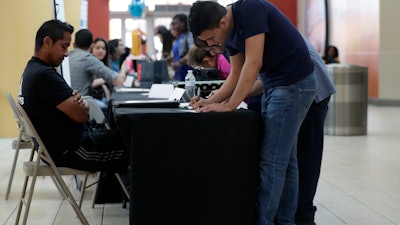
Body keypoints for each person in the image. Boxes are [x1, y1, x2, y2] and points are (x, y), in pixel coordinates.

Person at [188, 1, 317, 225]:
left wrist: (229, 106)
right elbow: (235, 74)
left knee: (272, 161)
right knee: (286, 160)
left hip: (293, 85)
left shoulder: (250, 9)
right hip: (276, 86)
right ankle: (285, 221)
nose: (211, 44)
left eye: (210, 39)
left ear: (223, 21)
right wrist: (208, 101)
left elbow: (253, 63)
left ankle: (266, 221)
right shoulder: (228, 31)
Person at [18, 19, 128, 172]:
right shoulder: (44, 75)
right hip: (75, 150)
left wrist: (77, 101)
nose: (66, 54)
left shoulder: (32, 69)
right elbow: (82, 115)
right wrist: (79, 103)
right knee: (138, 145)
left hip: (65, 146)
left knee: (130, 136)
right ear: (48, 42)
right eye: (64, 46)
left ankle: (113, 195)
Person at [69, 29, 127, 108]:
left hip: (67, 102)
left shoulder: (67, 57)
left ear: (73, 45)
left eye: (103, 48)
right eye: (98, 48)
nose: (100, 51)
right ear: (92, 46)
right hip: (80, 103)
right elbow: (119, 81)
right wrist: (124, 68)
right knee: (109, 108)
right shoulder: (88, 59)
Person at [170, 13, 194, 81]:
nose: (174, 26)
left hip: (188, 72)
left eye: (175, 24)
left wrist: (179, 63)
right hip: (179, 73)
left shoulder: (189, 35)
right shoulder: (180, 38)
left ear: (183, 24)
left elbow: (192, 52)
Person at [89, 37, 113, 104]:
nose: (101, 50)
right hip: (91, 99)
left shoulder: (105, 65)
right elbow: (88, 84)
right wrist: (104, 79)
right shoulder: (88, 64)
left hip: (104, 98)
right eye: (98, 48)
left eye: (103, 48)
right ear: (92, 49)